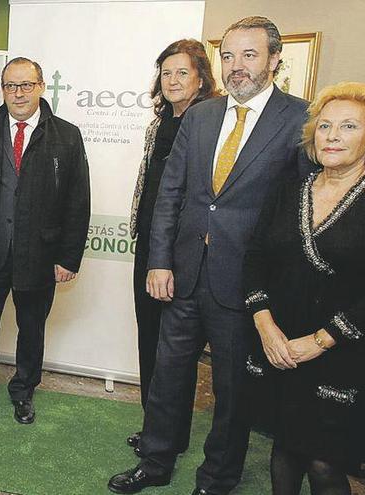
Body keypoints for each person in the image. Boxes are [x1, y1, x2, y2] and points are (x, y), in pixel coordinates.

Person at [108, 16, 316, 495]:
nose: (236, 66)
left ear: (274, 59)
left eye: (249, 55)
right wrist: (159, 260)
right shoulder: (201, 116)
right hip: (183, 274)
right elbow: (171, 194)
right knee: (168, 376)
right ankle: (155, 462)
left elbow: (300, 211)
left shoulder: (300, 119)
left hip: (244, 284)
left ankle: (217, 479)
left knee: (232, 391)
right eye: (228, 56)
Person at [242, 82, 365, 495]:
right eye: (324, 126)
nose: (333, 136)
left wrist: (320, 341)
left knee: (324, 463)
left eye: (348, 126)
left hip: (343, 352)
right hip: (281, 345)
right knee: (284, 449)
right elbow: (254, 260)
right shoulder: (288, 191)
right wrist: (266, 327)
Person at [0, 57, 90, 425]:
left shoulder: (66, 135)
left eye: (26, 85)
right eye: (11, 86)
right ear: (2, 90)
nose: (18, 93)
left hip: (40, 255)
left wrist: (68, 258)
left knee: (32, 330)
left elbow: (79, 202)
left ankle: (23, 392)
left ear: (41, 87)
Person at [127, 39, 219, 453]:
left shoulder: (211, 125)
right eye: (166, 73)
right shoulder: (160, 121)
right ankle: (156, 426)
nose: (173, 80)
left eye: (183, 72)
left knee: (175, 349)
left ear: (201, 78)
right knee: (150, 337)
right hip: (149, 245)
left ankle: (170, 435)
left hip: (185, 255)